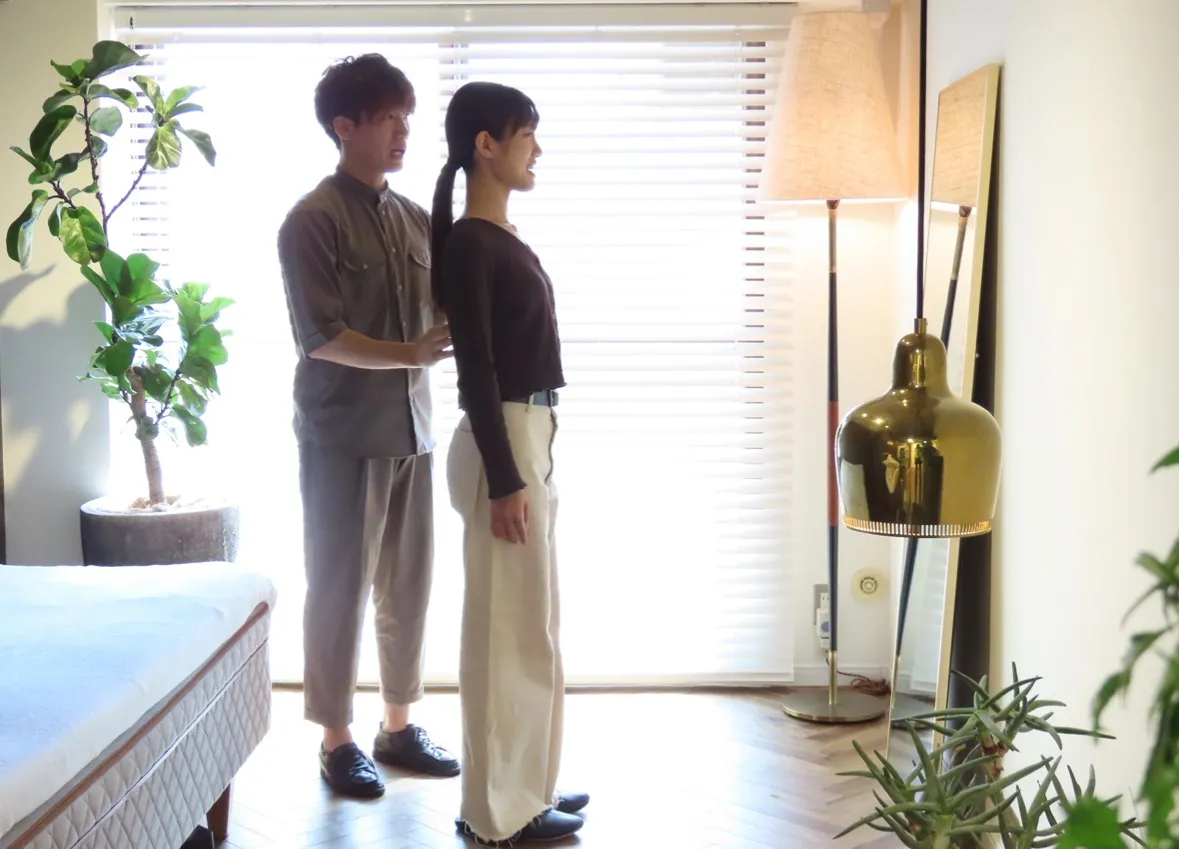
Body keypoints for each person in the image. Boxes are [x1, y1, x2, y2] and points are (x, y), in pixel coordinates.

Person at [276, 54, 460, 800]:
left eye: (406, 119)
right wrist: (410, 353)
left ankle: (398, 726)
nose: (402, 133)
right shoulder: (311, 220)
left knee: (408, 587)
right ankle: (335, 739)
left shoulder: (416, 218)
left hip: (414, 429)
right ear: (344, 126)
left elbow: (446, 308)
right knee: (338, 588)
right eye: (388, 119)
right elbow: (320, 336)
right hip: (344, 435)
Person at [430, 81, 588, 845]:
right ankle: (496, 811)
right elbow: (476, 372)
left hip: (530, 433)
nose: (537, 149)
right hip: (505, 441)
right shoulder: (470, 244)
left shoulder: (499, 237)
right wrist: (504, 478)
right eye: (527, 135)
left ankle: (529, 785)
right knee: (505, 633)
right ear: (485, 145)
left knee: (533, 624)